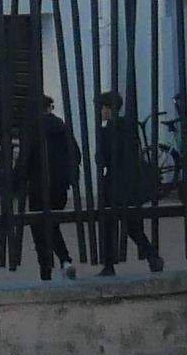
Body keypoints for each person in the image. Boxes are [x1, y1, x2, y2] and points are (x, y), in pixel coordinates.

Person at [96, 89, 165, 275]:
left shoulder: (105, 131)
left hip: (113, 183)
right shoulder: (129, 127)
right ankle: (152, 256)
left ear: (108, 109)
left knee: (109, 225)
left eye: (102, 108)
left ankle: (109, 265)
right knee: (132, 225)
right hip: (132, 182)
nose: (100, 112)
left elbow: (102, 159)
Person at [21, 95, 83, 280]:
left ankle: (46, 270)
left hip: (39, 187)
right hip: (60, 186)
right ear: (49, 108)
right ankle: (65, 261)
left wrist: (15, 182)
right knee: (52, 224)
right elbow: (76, 154)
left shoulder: (32, 129)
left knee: (39, 227)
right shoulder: (62, 127)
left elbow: (25, 159)